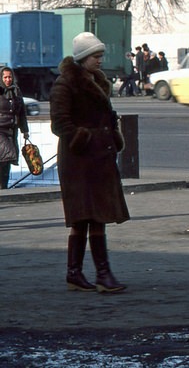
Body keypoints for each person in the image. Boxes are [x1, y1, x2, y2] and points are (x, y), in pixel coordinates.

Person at [50, 32, 129, 293]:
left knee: (98, 217)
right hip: (79, 162)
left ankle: (95, 274)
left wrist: (111, 135)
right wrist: (85, 138)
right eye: (96, 56)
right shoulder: (66, 84)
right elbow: (60, 124)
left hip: (98, 159)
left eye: (101, 56)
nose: (100, 61)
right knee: (83, 218)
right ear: (83, 58)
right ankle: (85, 274)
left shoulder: (96, 82)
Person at [0, 67, 30, 189]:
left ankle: (3, 187)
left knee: (6, 161)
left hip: (12, 130)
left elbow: (22, 112)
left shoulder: (16, 91)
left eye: (10, 77)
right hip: (0, 129)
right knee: (7, 155)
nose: (8, 79)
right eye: (5, 77)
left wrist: (25, 130)